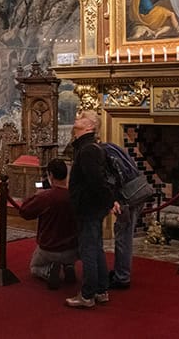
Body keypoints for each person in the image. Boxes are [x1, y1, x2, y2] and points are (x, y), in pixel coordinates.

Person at [66, 110, 114, 308]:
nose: (77, 116)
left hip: (88, 206)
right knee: (96, 247)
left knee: (88, 249)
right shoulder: (85, 147)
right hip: (93, 205)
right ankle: (101, 290)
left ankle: (87, 295)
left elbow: (96, 181)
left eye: (82, 116)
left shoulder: (88, 150)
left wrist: (109, 201)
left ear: (90, 126)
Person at [18, 159, 79, 290]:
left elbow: (24, 212)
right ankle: (68, 265)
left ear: (50, 175)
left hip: (50, 248)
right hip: (73, 248)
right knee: (67, 256)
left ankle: (49, 271)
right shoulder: (75, 196)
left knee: (34, 267)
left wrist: (36, 195)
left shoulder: (46, 197)